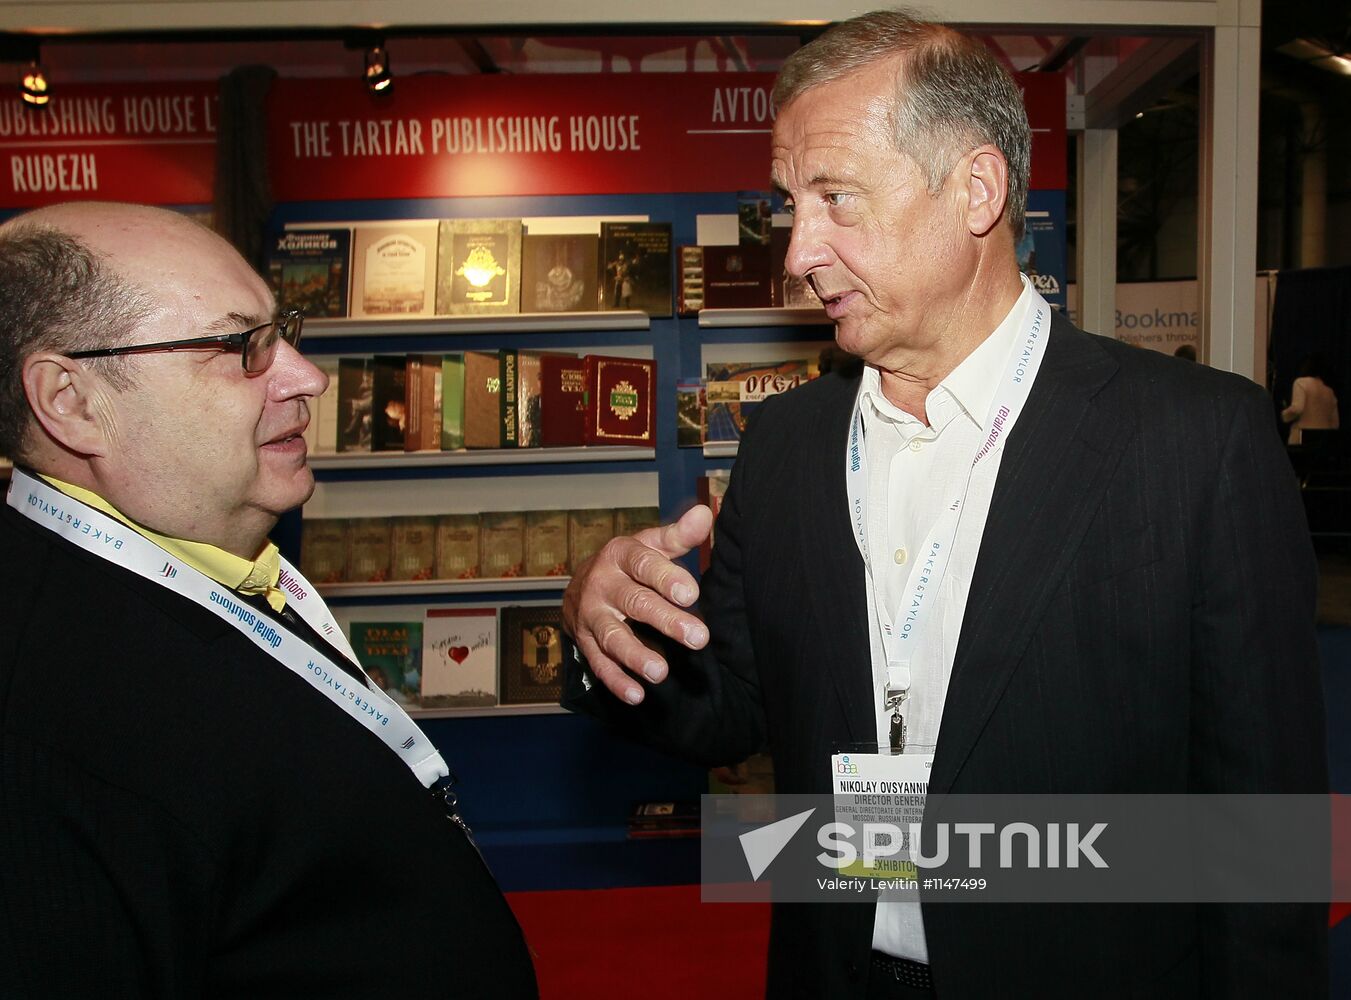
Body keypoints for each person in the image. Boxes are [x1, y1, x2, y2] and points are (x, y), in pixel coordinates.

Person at [561, 10, 1327, 998]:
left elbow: (1263, 838)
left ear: (976, 189)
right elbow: (727, 711)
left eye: (837, 198)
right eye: (791, 205)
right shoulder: (791, 448)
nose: (798, 253)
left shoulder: (1194, 443)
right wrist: (609, 624)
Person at [0, 203, 537, 998]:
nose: (307, 377)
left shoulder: (202, 573)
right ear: (72, 401)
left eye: (282, 330)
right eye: (237, 346)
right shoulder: (49, 721)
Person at [1282, 354, 1340, 444]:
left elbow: (1297, 409)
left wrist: (1284, 415)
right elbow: (1335, 423)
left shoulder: (1301, 383)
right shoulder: (1329, 391)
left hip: (1303, 439)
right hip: (1323, 442)